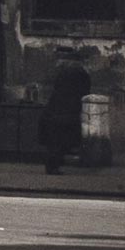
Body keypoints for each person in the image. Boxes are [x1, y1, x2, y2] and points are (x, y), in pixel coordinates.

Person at [41, 46, 93, 176]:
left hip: (58, 110)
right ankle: (54, 166)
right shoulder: (80, 72)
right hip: (68, 111)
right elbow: (84, 91)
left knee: (57, 140)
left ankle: (53, 165)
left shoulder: (63, 71)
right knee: (63, 140)